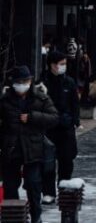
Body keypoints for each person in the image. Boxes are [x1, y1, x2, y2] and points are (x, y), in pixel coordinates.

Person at [0, 65, 58, 223]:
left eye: (25, 81)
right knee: (10, 186)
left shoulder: (40, 98)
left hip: (33, 149)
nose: (22, 85)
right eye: (19, 81)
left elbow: (54, 117)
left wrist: (32, 117)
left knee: (33, 185)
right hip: (11, 149)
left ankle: (35, 216)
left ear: (30, 81)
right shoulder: (5, 100)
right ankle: (14, 218)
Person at [40, 50, 79, 205]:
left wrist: (73, 120)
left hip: (65, 128)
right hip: (48, 128)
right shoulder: (42, 82)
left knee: (66, 161)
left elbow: (75, 103)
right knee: (47, 162)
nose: (63, 66)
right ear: (52, 65)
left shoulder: (69, 82)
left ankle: (64, 187)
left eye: (64, 64)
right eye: (61, 64)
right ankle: (48, 192)